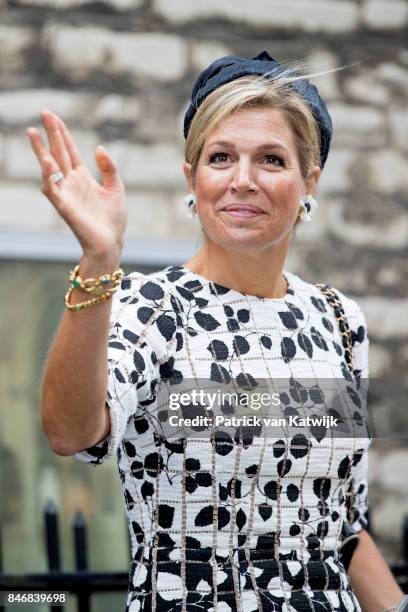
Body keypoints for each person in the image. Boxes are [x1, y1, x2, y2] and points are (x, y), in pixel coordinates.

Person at [28, 51, 407, 612]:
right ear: (192, 176)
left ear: (311, 180)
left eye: (272, 160)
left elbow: (342, 528)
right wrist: (99, 258)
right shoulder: (151, 307)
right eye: (221, 157)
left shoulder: (337, 319)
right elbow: (70, 432)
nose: (242, 181)